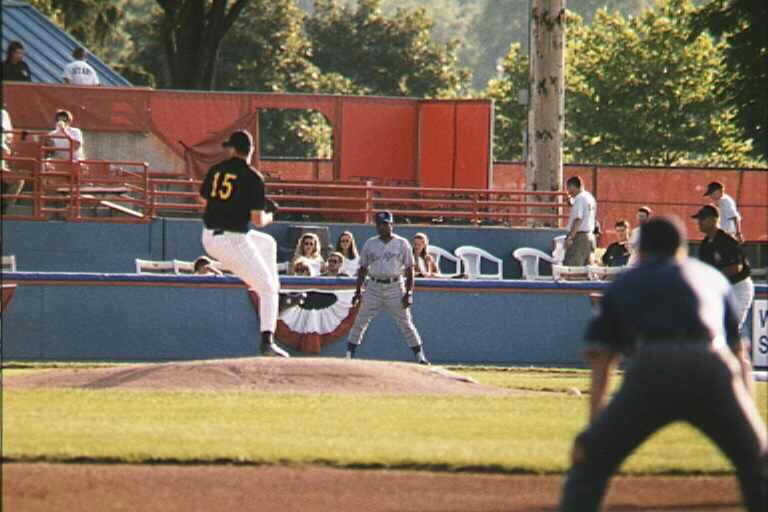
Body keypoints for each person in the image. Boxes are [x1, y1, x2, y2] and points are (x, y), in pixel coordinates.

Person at [559, 216, 767, 512]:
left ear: (641, 250)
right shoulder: (711, 278)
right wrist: (754, 428)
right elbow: (739, 358)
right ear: (681, 249)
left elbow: (603, 361)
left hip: (652, 367)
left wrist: (593, 436)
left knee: (591, 462)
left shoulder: (627, 281)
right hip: (712, 366)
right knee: (757, 462)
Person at [199, 129, 289, 358]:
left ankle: (277, 296)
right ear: (251, 150)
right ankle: (267, 342)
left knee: (267, 243)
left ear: (232, 149)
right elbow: (259, 221)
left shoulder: (217, 170)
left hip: (210, 234)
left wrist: (232, 202)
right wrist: (271, 214)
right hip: (232, 240)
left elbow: (203, 198)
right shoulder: (252, 177)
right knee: (267, 288)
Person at [346, 211, 429, 365]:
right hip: (374, 286)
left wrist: (409, 292)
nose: (383, 227)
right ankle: (349, 355)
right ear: (376, 226)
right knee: (360, 321)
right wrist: (358, 291)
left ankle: (420, 357)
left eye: (386, 224)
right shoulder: (370, 243)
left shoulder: (402, 243)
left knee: (406, 323)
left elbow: (410, 269)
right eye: (380, 224)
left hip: (395, 286)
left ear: (392, 224)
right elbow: (363, 268)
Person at [694, 205, 754, 330]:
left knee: (730, 329)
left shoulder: (726, 240)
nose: (699, 222)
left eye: (702, 219)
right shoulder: (705, 244)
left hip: (738, 287)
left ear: (713, 220)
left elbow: (735, 268)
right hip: (722, 289)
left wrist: (712, 279)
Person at [563, 176, 597, 266]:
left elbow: (578, 219)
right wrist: (571, 204)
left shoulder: (579, 198)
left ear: (572, 187)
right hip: (590, 236)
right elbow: (585, 212)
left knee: (574, 266)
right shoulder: (589, 197)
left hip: (580, 237)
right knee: (587, 266)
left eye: (568, 188)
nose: (568, 192)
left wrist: (570, 237)